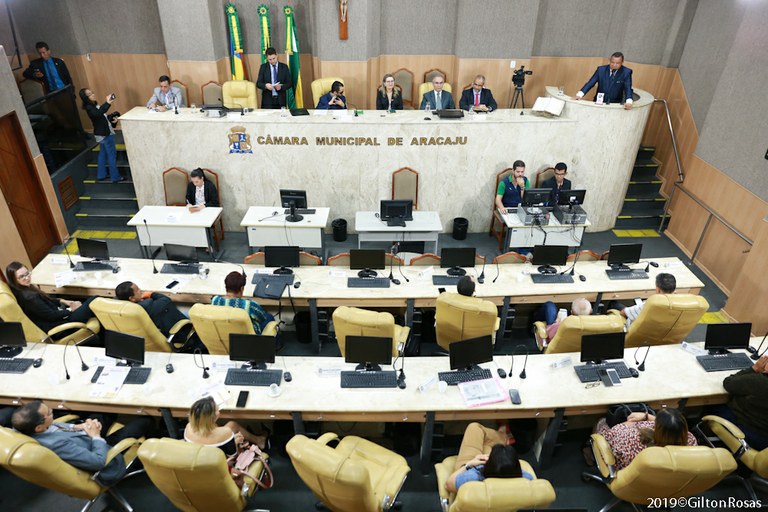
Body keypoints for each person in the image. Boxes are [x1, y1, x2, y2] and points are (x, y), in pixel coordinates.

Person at [11, 400, 155, 486]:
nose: (52, 410)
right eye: (49, 413)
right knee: (145, 421)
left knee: (104, 412)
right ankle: (155, 455)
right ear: (38, 427)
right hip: (103, 452)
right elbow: (97, 461)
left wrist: (81, 426)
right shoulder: (58, 445)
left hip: (84, 439)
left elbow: (55, 427)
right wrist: (96, 436)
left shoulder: (36, 429)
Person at [5, 261, 97, 333]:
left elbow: (46, 300)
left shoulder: (23, 289)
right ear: (14, 280)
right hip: (60, 325)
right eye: (22, 277)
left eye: (27, 273)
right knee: (94, 300)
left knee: (85, 302)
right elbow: (51, 316)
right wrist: (70, 309)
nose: (27, 278)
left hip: (57, 316)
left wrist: (63, 301)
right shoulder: (30, 298)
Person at [595, 408, 696, 470]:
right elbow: (670, 427)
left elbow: (612, 433)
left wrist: (631, 423)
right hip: (667, 484)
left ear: (656, 428)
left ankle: (589, 452)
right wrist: (647, 416)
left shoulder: (631, 440)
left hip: (629, 480)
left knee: (602, 422)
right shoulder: (691, 442)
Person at [445, 422, 533, 493]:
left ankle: (503, 436)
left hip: (472, 474)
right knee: (487, 446)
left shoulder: (473, 476)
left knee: (474, 428)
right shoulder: (527, 479)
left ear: (488, 465)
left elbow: (449, 484)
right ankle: (503, 436)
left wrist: (469, 464)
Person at [706, 355, 768, 450]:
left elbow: (728, 382)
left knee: (713, 406)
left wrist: (754, 368)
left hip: (749, 434)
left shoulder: (758, 381)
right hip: (765, 441)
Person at [184, 396, 267, 454]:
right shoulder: (225, 433)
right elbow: (231, 458)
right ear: (214, 417)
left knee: (232, 424)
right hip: (219, 465)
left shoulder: (188, 427)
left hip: (201, 458)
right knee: (233, 429)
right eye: (217, 409)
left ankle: (258, 440)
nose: (219, 410)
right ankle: (259, 441)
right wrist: (234, 443)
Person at [79, 88, 122, 183]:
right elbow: (98, 114)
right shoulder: (89, 107)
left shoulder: (93, 104)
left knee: (102, 154)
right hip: (104, 134)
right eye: (90, 94)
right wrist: (107, 102)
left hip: (100, 133)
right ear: (86, 97)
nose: (93, 94)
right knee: (112, 156)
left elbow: (102, 117)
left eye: (92, 92)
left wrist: (111, 118)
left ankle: (101, 174)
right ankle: (115, 177)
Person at [211, 272, 274, 336]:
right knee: (269, 317)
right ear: (241, 288)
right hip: (246, 339)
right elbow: (262, 318)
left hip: (223, 335)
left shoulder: (215, 300)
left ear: (226, 286)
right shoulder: (249, 305)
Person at [115, 281, 188, 337]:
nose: (140, 290)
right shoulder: (149, 306)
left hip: (155, 332)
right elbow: (166, 300)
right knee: (190, 312)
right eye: (137, 290)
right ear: (131, 298)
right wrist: (151, 294)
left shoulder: (122, 308)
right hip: (178, 331)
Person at [611, 273, 675, 328]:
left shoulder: (650, 304)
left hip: (635, 334)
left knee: (614, 304)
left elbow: (623, 313)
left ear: (658, 289)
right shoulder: (680, 304)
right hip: (663, 335)